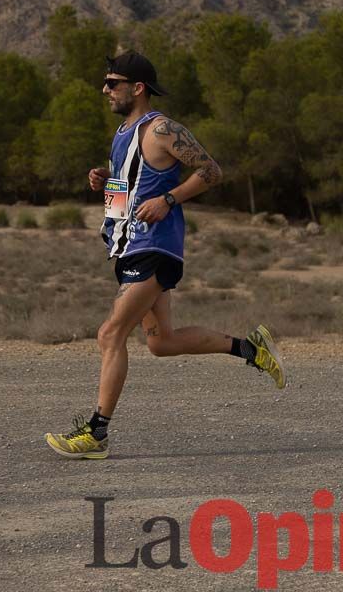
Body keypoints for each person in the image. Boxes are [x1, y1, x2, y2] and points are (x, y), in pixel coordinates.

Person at [44, 50, 286, 460]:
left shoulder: (161, 130)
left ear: (137, 88)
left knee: (110, 333)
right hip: (129, 245)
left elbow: (211, 171)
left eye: (112, 83)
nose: (105, 90)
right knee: (162, 343)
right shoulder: (123, 134)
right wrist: (106, 184)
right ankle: (252, 350)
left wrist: (169, 200)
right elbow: (125, 198)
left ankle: (95, 434)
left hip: (155, 247)